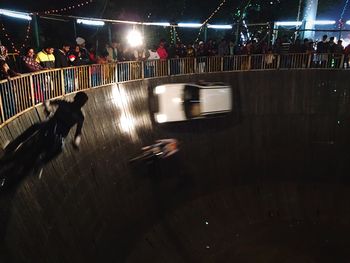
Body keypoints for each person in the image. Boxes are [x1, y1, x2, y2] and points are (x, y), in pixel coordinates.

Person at [0, 92, 88, 187]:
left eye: (81, 103)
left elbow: (78, 132)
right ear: (75, 98)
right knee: (35, 126)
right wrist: (48, 108)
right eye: (79, 101)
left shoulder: (80, 116)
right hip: (50, 125)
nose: (79, 104)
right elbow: (48, 102)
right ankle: (14, 144)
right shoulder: (65, 103)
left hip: (59, 135)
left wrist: (76, 142)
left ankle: (41, 163)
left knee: (60, 149)